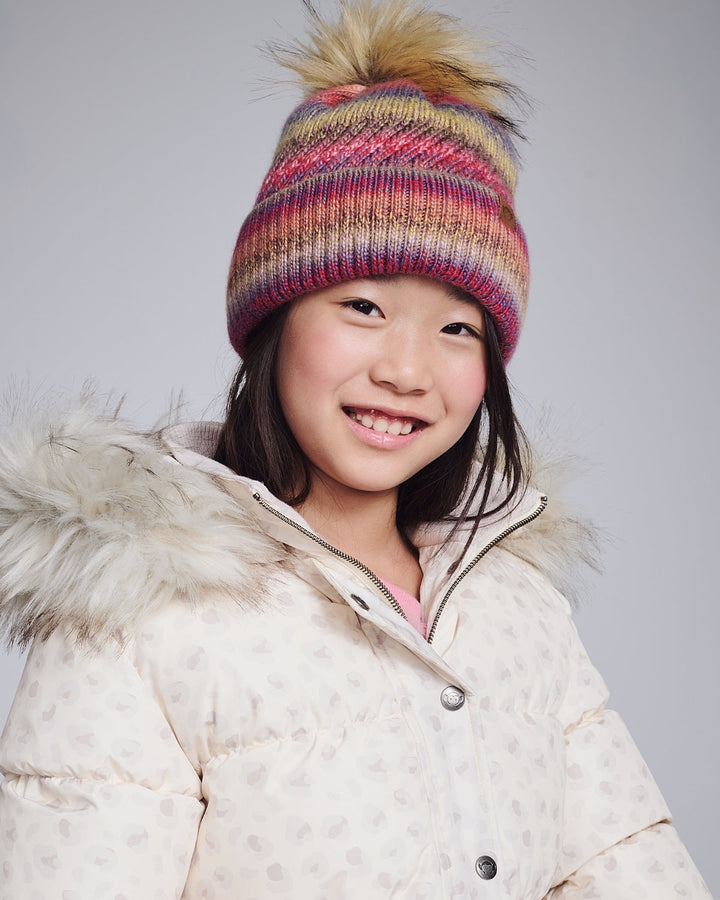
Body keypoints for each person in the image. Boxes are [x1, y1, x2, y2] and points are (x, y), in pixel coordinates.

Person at [0, 0, 710, 897]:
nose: (408, 370)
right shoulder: (139, 611)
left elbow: (626, 866)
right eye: (364, 307)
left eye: (457, 328)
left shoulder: (516, 608)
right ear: (272, 321)